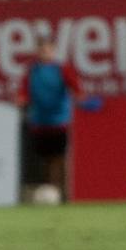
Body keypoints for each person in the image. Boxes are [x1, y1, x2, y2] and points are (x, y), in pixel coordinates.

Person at [18, 35, 81, 200]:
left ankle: (62, 193)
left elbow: (76, 87)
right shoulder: (32, 70)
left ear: (53, 51)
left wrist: (80, 97)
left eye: (48, 50)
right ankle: (48, 192)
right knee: (44, 160)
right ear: (37, 51)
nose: (44, 53)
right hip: (39, 121)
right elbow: (24, 91)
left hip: (59, 121)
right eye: (41, 49)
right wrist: (21, 99)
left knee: (59, 159)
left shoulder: (61, 69)